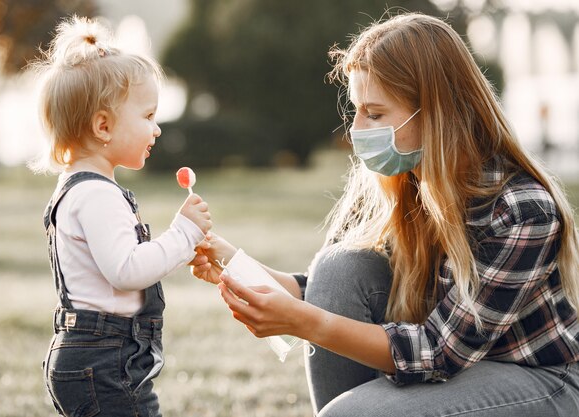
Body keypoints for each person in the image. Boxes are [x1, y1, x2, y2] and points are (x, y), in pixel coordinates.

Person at [191, 13, 579, 417]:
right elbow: (325, 294)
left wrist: (303, 324)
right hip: (453, 365)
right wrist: (233, 263)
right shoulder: (398, 179)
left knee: (350, 415)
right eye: (357, 111)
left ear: (436, 112)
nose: (357, 129)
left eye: (375, 114)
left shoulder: (522, 209)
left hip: (537, 379)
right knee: (339, 267)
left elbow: (439, 351)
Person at [31, 16, 212, 416]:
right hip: (106, 363)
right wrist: (182, 234)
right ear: (103, 126)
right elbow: (127, 270)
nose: (157, 130)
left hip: (88, 356)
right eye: (148, 117)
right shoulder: (97, 195)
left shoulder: (78, 190)